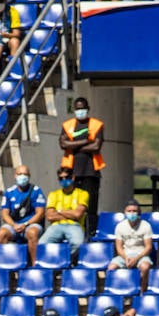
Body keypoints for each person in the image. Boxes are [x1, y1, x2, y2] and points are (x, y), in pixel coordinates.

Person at [59, 97, 104, 234]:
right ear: (74, 109)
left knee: (90, 205)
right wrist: (86, 141)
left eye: (83, 108)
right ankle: (74, 229)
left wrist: (73, 146)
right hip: (72, 171)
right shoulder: (67, 125)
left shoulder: (96, 125)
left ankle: (90, 231)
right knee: (73, 203)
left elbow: (96, 146)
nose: (80, 111)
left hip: (90, 171)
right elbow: (63, 144)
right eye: (78, 109)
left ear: (88, 109)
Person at [0, 165, 46, 265]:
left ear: (29, 176)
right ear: (15, 176)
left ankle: (35, 266)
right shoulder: (9, 192)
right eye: (19, 174)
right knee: (1, 233)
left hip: (31, 223)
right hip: (14, 225)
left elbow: (40, 213)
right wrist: (14, 225)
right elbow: (5, 214)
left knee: (32, 233)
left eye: (25, 174)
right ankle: (4, 266)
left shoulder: (36, 191)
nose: (22, 177)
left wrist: (26, 224)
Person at [110, 201, 155, 291]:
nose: (131, 213)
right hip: (125, 255)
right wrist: (126, 258)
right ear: (125, 212)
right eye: (129, 211)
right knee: (111, 268)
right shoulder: (120, 226)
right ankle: (119, 291)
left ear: (138, 212)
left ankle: (142, 291)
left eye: (134, 211)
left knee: (145, 267)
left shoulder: (146, 225)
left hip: (141, 254)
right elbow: (118, 247)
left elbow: (148, 247)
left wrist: (136, 258)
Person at [38, 166, 88, 247]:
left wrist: (59, 211)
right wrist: (71, 214)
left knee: (78, 244)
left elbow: (78, 214)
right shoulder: (53, 194)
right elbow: (50, 216)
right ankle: (57, 259)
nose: (64, 180)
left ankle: (65, 259)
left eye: (67, 177)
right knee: (42, 244)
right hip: (56, 225)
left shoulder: (82, 194)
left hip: (75, 225)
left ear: (73, 178)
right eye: (61, 178)